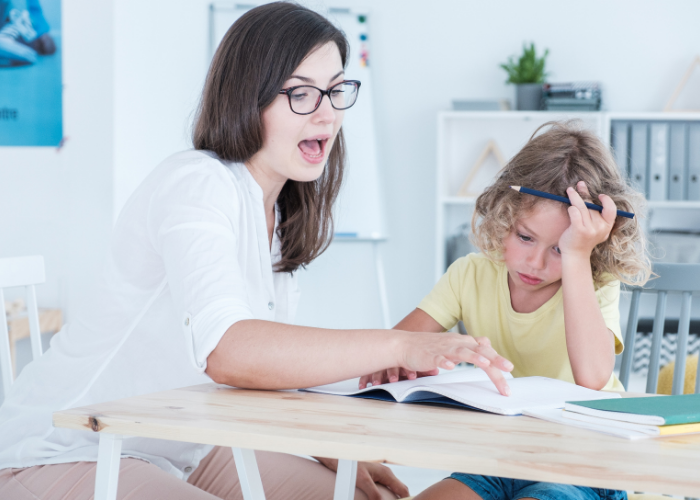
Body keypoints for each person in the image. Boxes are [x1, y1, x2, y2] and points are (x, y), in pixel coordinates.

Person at [0, 3, 514, 499]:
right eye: (301, 94)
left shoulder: (279, 211)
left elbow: (260, 371)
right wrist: (400, 345)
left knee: (365, 494)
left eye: (336, 91)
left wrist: (328, 448)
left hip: (181, 443)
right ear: (249, 98)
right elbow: (230, 352)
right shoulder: (196, 183)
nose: (327, 114)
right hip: (68, 446)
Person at [361, 121, 652, 500]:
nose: (535, 262)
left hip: (585, 462)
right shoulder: (470, 274)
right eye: (525, 237)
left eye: (560, 247)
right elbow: (389, 349)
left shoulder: (594, 281)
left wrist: (577, 257)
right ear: (503, 217)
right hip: (499, 458)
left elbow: (593, 377)